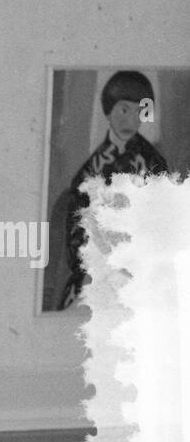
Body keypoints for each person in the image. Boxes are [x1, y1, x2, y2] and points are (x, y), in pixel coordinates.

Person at [49, 70, 170, 309]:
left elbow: (162, 219)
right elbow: (78, 225)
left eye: (139, 111)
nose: (131, 120)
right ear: (108, 110)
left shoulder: (153, 162)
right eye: (124, 110)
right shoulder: (90, 168)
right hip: (98, 264)